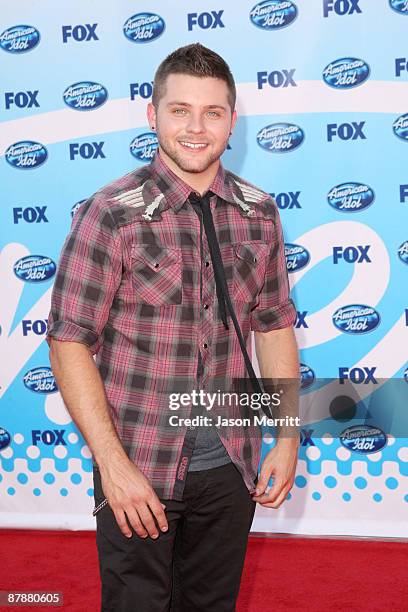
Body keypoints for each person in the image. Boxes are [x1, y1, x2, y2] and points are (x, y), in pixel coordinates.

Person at [47, 43, 300, 612]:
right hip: (140, 464)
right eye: (180, 109)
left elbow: (274, 324)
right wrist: (113, 467)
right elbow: (68, 340)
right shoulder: (110, 213)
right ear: (152, 115)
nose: (196, 126)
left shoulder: (259, 213)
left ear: (232, 121)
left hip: (232, 467)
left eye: (212, 112)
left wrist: (286, 435)